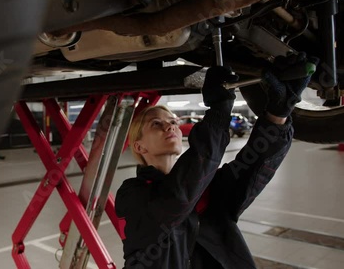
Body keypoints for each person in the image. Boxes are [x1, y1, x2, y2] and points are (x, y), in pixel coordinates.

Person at [115, 53, 318, 268]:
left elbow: (251, 169)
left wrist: (278, 114)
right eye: (157, 124)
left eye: (173, 121)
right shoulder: (132, 195)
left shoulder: (202, 187)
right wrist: (219, 113)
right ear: (139, 146)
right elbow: (177, 198)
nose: (170, 126)